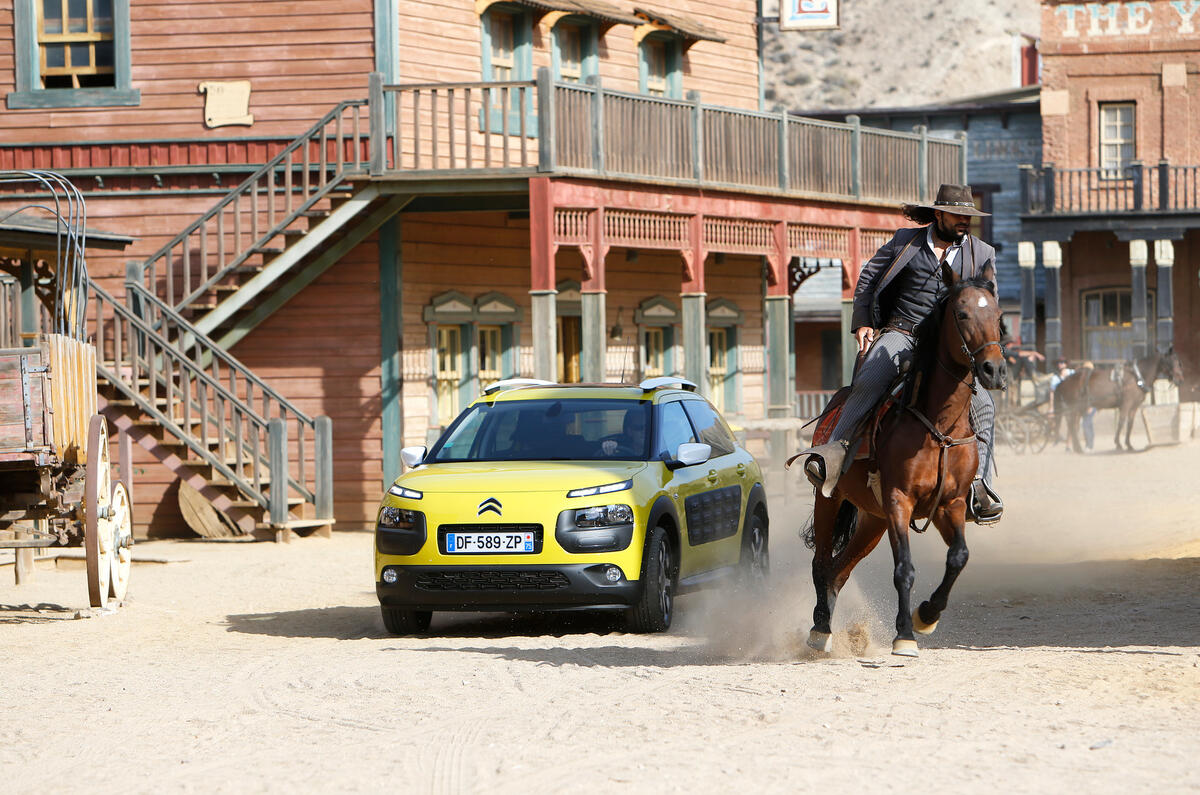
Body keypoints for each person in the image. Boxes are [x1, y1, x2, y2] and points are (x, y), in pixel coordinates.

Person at [801, 183, 1004, 524]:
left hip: (950, 349)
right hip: (903, 332)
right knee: (869, 381)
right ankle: (833, 456)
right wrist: (863, 322)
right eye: (958, 215)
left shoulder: (982, 252)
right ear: (938, 214)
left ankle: (980, 486)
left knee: (985, 405)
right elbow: (868, 278)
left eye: (969, 217)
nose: (965, 222)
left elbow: (988, 304)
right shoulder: (904, 241)